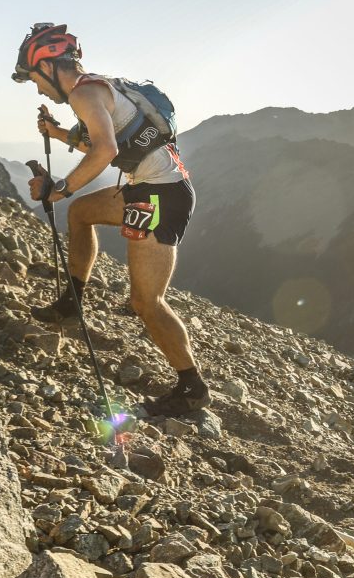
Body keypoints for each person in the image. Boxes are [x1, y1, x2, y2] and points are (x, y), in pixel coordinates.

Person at [12, 22, 210, 415]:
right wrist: (56, 132)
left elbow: (103, 151)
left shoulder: (84, 93)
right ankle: (72, 303)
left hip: (159, 196)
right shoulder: (97, 87)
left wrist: (60, 188)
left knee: (145, 302)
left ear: (49, 66)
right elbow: (114, 140)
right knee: (82, 213)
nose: (37, 88)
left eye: (35, 78)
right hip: (152, 187)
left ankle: (192, 388)